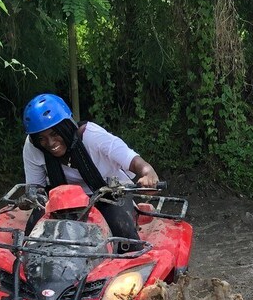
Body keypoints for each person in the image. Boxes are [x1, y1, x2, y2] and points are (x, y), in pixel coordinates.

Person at [21, 93, 159, 246]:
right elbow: (36, 187)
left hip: (108, 194)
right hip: (64, 199)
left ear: (66, 127)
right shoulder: (33, 147)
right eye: (42, 138)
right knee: (31, 235)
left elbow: (132, 160)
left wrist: (147, 173)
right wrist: (31, 196)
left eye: (55, 134)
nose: (50, 142)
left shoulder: (92, 136)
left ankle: (133, 261)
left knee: (122, 232)